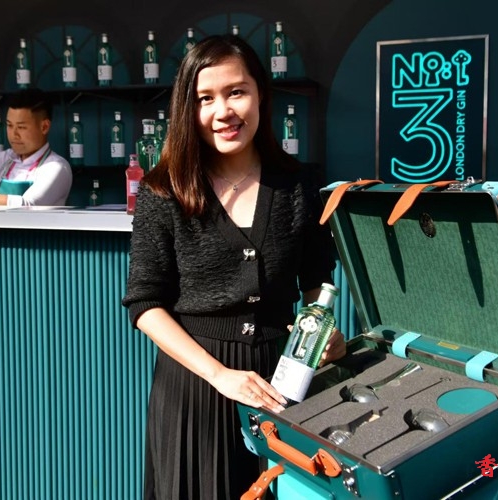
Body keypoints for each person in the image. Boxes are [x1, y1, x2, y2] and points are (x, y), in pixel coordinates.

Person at [121, 34, 346, 500]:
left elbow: (317, 281)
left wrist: (326, 336)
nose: (223, 111)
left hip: (281, 384)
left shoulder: (299, 184)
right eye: (205, 98)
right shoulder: (164, 190)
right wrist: (219, 375)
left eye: (236, 92)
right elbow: (145, 304)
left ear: (260, 94)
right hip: (195, 389)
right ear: (188, 109)